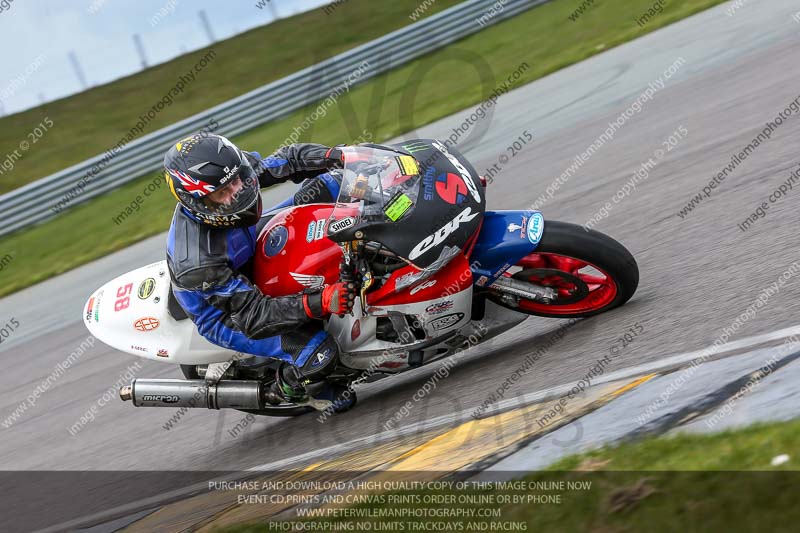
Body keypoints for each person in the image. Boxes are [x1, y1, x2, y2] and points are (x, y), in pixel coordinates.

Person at [163, 132, 356, 408]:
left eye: (237, 182)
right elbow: (253, 317)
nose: (236, 194)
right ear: (198, 203)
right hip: (227, 313)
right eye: (223, 193)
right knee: (319, 354)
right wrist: (321, 301)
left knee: (330, 184)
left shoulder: (231, 173)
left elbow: (289, 160)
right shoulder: (197, 261)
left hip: (250, 242)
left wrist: (339, 156)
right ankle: (290, 388)